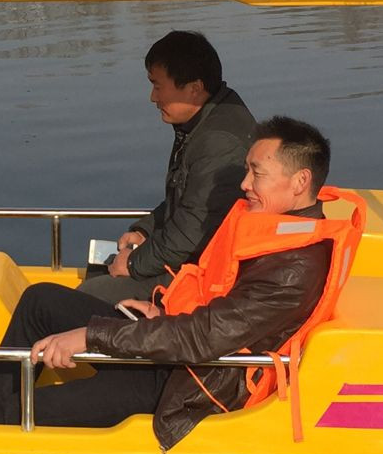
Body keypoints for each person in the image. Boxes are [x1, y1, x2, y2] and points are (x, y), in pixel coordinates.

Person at [0, 117, 359, 449]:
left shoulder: (292, 268)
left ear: (300, 182)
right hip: (173, 349)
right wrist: (159, 308)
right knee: (40, 301)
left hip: (187, 383)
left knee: (40, 407)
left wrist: (90, 335)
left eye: (256, 174)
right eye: (247, 170)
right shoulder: (272, 230)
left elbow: (204, 336)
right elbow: (212, 302)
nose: (244, 184)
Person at [79, 30, 255, 306]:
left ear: (194, 88)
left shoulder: (219, 141)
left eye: (158, 86)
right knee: (99, 270)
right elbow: (187, 198)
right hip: (189, 259)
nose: (153, 97)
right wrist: (145, 231)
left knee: (87, 296)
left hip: (202, 275)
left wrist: (134, 263)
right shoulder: (201, 121)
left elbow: (192, 230)